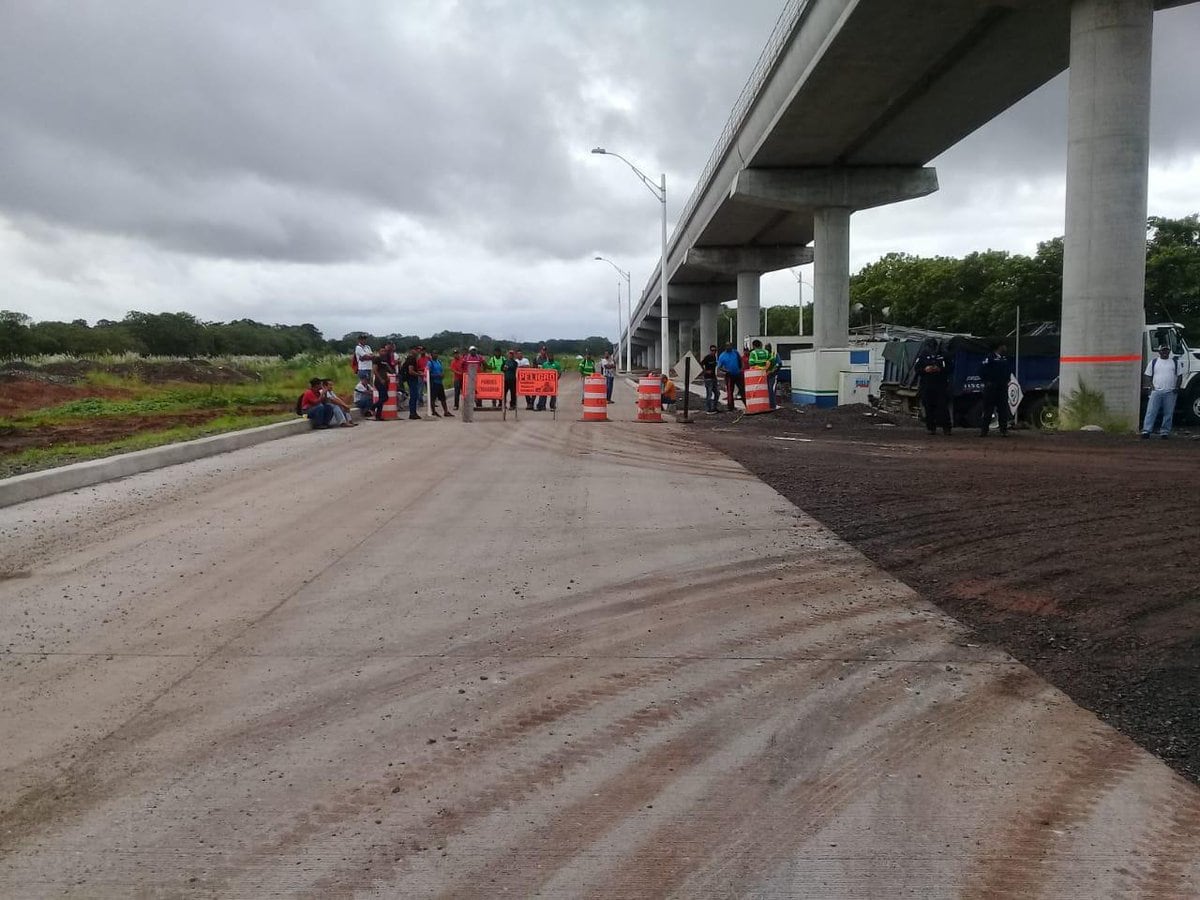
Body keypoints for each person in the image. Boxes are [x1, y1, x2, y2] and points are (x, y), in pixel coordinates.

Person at [913, 338, 952, 435]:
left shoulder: (943, 355)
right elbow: (917, 368)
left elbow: (950, 368)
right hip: (927, 384)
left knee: (942, 407)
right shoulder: (923, 355)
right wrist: (925, 369)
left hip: (940, 384)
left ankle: (946, 428)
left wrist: (940, 369)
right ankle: (931, 428)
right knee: (928, 407)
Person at [1142, 344, 1182, 438]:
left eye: (1167, 350)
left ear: (1169, 351)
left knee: (1168, 413)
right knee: (1151, 412)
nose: (1165, 352)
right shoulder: (1154, 362)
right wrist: (1151, 386)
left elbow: (1179, 376)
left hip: (1170, 392)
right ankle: (1146, 431)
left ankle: (1165, 432)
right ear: (1159, 352)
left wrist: (1177, 387)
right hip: (1156, 391)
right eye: (1163, 350)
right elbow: (1147, 375)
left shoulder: (1175, 362)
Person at [978, 343, 1013, 437]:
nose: (1005, 347)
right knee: (988, 409)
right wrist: (987, 381)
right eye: (1003, 345)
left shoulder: (1005, 358)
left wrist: (1007, 379)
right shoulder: (989, 357)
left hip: (1002, 387)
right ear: (999, 347)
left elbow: (1008, 369)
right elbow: (982, 370)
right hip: (991, 387)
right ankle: (984, 431)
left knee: (1003, 409)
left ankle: (1003, 430)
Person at [717, 343, 744, 411]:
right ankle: (730, 407)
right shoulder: (722, 356)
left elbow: (740, 360)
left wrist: (741, 369)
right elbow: (719, 367)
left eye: (730, 346)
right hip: (729, 375)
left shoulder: (735, 352)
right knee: (730, 391)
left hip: (738, 374)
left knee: (742, 389)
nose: (729, 347)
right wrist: (726, 370)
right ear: (726, 347)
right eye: (728, 346)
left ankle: (747, 404)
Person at [427, 350, 453, 417]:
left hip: (440, 382)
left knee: (443, 398)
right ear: (431, 355)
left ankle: (446, 412)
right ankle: (433, 411)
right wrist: (437, 375)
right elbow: (428, 374)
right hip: (434, 383)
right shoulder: (430, 363)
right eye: (434, 354)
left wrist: (442, 375)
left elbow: (441, 371)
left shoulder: (439, 362)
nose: (436, 355)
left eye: (436, 353)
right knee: (433, 398)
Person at [401, 346, 422, 419]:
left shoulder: (411, 358)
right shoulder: (412, 359)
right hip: (411, 379)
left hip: (411, 378)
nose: (418, 351)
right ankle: (412, 413)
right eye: (417, 349)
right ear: (413, 350)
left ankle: (413, 412)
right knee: (414, 396)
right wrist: (419, 374)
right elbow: (411, 371)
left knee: (414, 395)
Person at [699, 344, 720, 414]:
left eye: (715, 350)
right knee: (709, 393)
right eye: (712, 350)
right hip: (708, 378)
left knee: (717, 393)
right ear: (710, 351)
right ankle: (708, 409)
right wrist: (705, 371)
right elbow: (701, 363)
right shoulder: (707, 357)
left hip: (713, 377)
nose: (713, 352)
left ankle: (714, 407)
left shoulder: (714, 357)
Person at [766, 343, 782, 410]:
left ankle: (773, 405)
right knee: (768, 390)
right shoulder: (765, 355)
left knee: (771, 389)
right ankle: (770, 404)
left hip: (773, 375)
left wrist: (773, 371)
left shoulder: (774, 354)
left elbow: (779, 364)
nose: (767, 349)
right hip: (766, 375)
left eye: (768, 347)